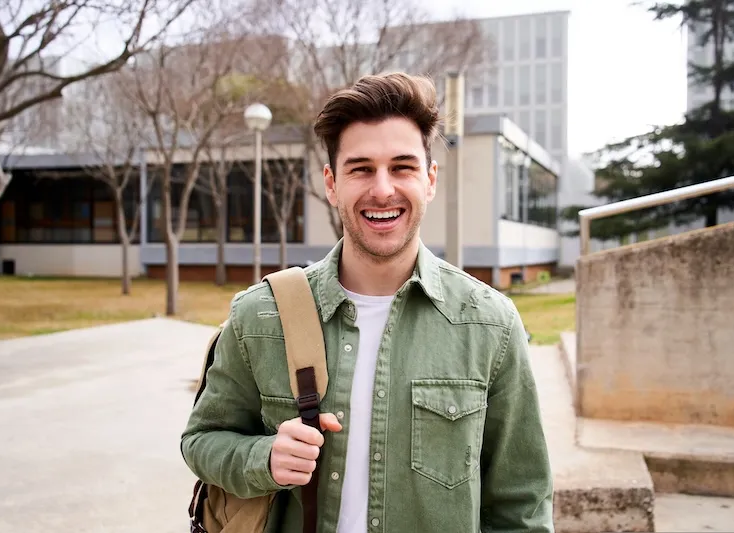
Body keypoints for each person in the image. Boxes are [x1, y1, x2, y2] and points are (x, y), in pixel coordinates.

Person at [181, 72, 554, 533]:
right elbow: (201, 442)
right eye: (361, 168)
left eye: (402, 167)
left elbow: (523, 505)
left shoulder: (490, 325)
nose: (382, 189)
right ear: (332, 183)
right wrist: (264, 457)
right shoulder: (260, 315)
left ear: (430, 180)